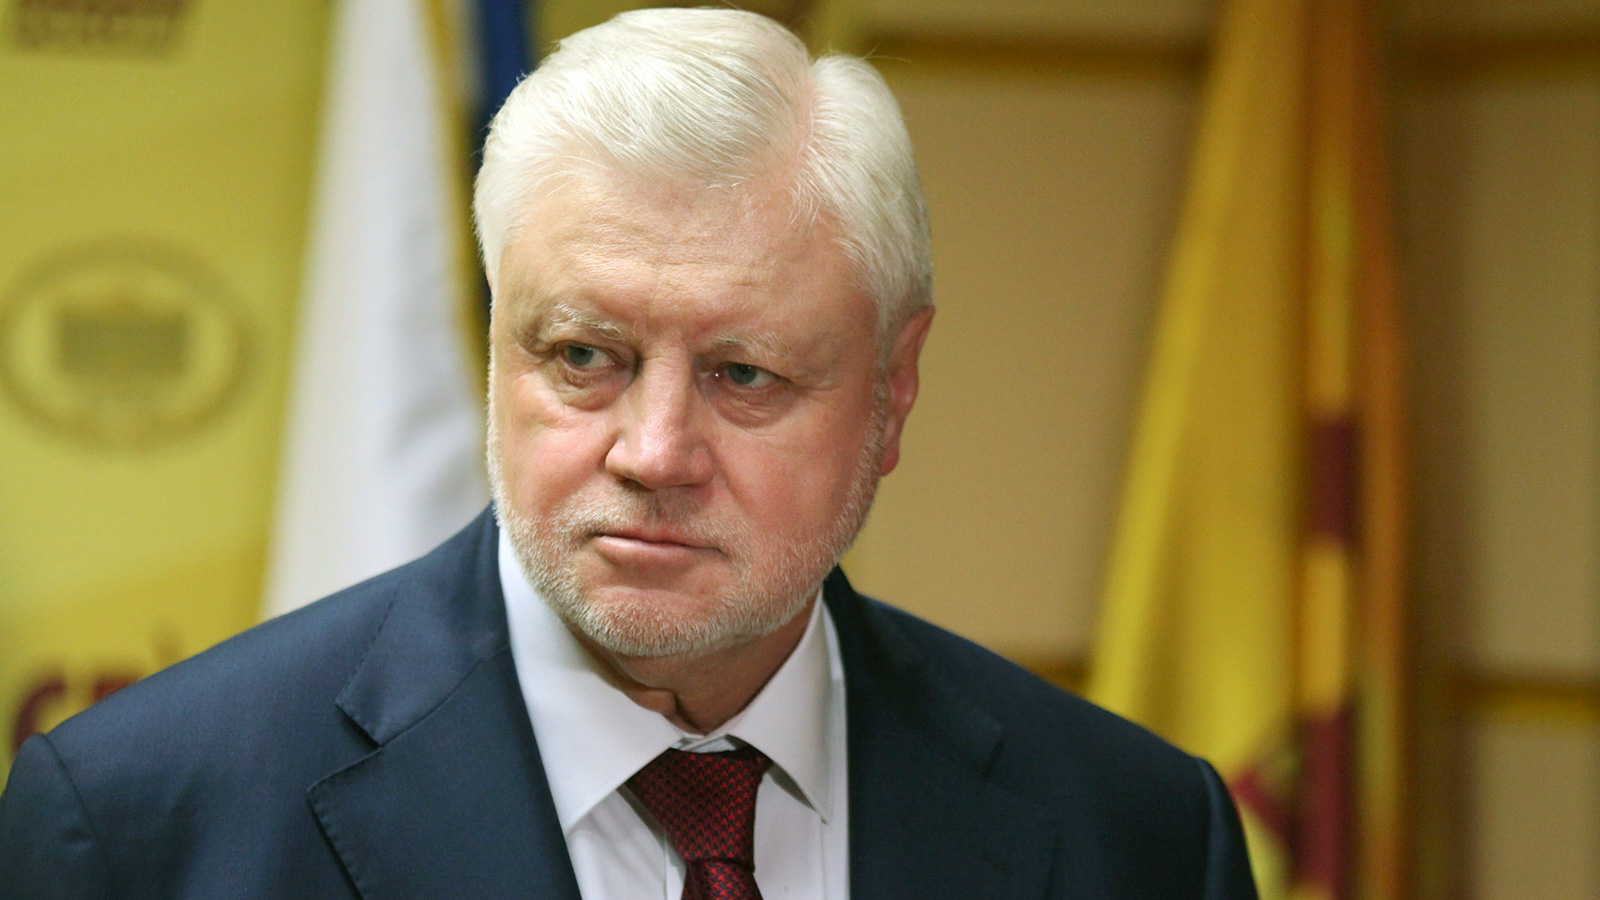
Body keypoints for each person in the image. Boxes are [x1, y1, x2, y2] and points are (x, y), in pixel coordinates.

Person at [0, 9, 1256, 899]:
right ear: (496, 344)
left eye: (744, 374)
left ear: (895, 386)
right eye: (583, 357)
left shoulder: (1137, 835)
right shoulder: (141, 827)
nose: (653, 454)